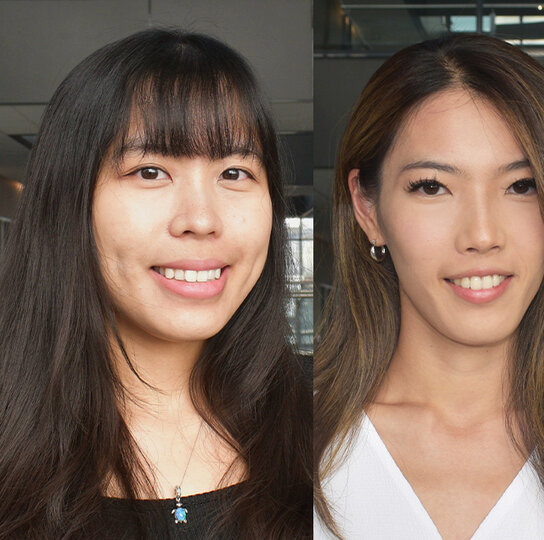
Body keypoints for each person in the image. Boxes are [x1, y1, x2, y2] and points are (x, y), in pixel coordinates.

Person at [0, 29, 312, 537]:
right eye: (150, 171)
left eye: (234, 173)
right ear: (69, 202)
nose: (202, 218)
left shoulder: (333, 431)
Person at [314, 34, 544, 539]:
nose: (482, 235)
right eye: (433, 186)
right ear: (368, 210)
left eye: (521, 186)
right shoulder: (297, 447)